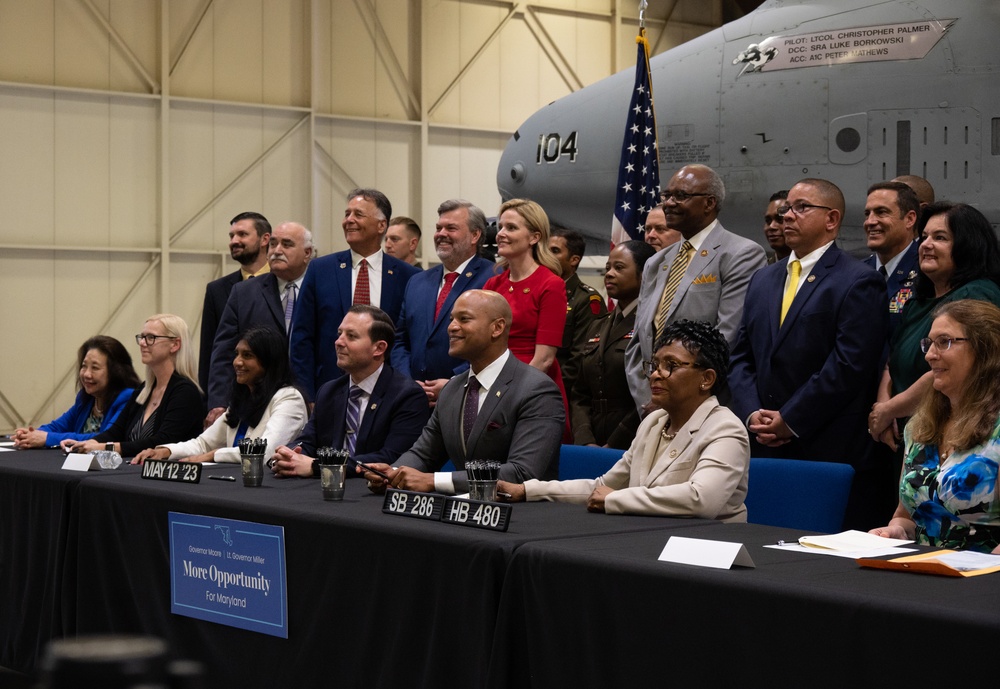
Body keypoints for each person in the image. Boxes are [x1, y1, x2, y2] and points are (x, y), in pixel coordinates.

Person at [729, 178, 890, 529]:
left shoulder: (857, 280)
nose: (788, 216)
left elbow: (849, 365)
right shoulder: (763, 279)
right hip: (763, 445)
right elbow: (741, 356)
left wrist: (791, 418)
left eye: (801, 207)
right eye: (786, 207)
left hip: (824, 448)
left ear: (831, 219)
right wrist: (751, 411)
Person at [501, 320, 749, 519]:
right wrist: (527, 490)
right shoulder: (654, 422)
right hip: (652, 540)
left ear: (706, 378)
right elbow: (602, 486)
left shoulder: (725, 428)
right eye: (655, 364)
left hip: (709, 550)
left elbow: (701, 500)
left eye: (670, 365)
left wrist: (615, 499)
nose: (655, 375)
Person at [362, 290, 564, 495]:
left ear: (497, 328)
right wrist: (393, 473)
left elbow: (522, 473)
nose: (451, 327)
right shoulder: (452, 389)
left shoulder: (537, 390)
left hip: (522, 517)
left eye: (464, 319)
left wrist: (433, 481)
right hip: (465, 515)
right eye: (451, 320)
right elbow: (424, 454)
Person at [625, 164, 766, 411]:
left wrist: (675, 396)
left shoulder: (741, 254)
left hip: (704, 405)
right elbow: (638, 343)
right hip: (653, 408)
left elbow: (726, 338)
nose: (668, 203)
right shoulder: (655, 262)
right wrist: (651, 401)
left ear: (709, 203)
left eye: (680, 196)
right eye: (666, 196)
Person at [868, 202, 1000, 451]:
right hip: (904, 432)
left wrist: (889, 410)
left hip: (956, 435)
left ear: (968, 245)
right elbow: (891, 362)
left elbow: (956, 368)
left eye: (940, 238)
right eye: (924, 236)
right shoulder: (917, 303)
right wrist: (883, 411)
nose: (926, 244)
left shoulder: (978, 295)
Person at [871, 300, 1000, 553]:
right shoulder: (919, 426)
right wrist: (895, 530)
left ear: (986, 349)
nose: (930, 355)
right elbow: (906, 516)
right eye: (928, 344)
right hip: (924, 575)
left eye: (944, 342)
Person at [290, 188, 421, 400]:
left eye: (358, 214)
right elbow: (302, 338)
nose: (348, 220)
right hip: (329, 391)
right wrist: (308, 396)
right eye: (346, 214)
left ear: (382, 225)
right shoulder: (320, 270)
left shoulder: (409, 276)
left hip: (389, 394)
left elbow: (407, 339)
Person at [271, 306, 429, 478]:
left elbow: (392, 457)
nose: (339, 342)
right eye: (340, 333)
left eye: (351, 336)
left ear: (379, 348)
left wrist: (319, 466)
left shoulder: (407, 395)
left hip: (372, 494)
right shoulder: (329, 391)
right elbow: (308, 441)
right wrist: (289, 455)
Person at [132, 328, 307, 464]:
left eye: (247, 356)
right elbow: (203, 444)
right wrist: (165, 451)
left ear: (269, 362)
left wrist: (214, 455)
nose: (237, 362)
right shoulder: (244, 398)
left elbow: (266, 452)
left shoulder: (289, 398)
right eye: (236, 354)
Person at [205, 221, 313, 422]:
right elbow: (223, 350)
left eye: (287, 244)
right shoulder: (244, 292)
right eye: (273, 244)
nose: (276, 251)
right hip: (256, 402)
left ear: (307, 253)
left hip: (312, 400)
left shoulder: (322, 288)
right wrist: (218, 403)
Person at [392, 199, 495, 404]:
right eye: (439, 228)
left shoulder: (493, 278)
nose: (441, 234)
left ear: (475, 235)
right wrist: (409, 380)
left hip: (468, 397)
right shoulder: (417, 281)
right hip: (414, 398)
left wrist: (455, 382)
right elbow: (400, 340)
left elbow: (495, 345)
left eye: (451, 228)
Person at [62, 314, 205, 457]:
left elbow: (163, 442)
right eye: (142, 337)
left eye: (151, 338)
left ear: (175, 345)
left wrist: (106, 448)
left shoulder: (185, 392)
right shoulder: (143, 390)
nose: (143, 343)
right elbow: (116, 431)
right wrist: (90, 443)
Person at [483, 199, 570, 420]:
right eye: (500, 226)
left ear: (534, 237)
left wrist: (507, 397)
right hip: (491, 383)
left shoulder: (551, 284)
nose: (501, 233)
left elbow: (544, 359)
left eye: (511, 228)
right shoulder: (493, 285)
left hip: (530, 391)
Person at [570, 240, 654, 450]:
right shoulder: (598, 325)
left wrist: (616, 442)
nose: (609, 273)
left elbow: (651, 395)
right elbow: (580, 392)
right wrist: (584, 438)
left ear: (645, 274)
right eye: (607, 268)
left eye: (619, 268)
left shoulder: (652, 325)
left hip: (632, 440)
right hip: (592, 438)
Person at [12, 336, 140, 449]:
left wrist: (47, 438)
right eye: (84, 366)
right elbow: (58, 426)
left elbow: (105, 438)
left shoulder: (127, 397)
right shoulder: (86, 399)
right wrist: (31, 435)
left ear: (116, 372)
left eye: (95, 368)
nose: (86, 374)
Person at [199, 212, 271, 392]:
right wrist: (210, 400)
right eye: (232, 236)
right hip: (233, 393)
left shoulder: (283, 283)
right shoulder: (217, 290)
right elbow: (210, 351)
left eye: (242, 234)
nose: (234, 241)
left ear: (265, 239)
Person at [549, 227, 606, 396]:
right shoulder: (540, 292)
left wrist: (551, 391)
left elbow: (580, 358)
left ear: (573, 260)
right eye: (545, 251)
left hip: (562, 391)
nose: (546, 256)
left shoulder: (586, 299)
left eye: (555, 251)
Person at [862, 181, 920, 339]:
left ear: (909, 219)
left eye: (881, 212)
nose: (870, 222)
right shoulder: (856, 273)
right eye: (867, 214)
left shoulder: (927, 272)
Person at [762, 190, 790, 264]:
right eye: (768, 221)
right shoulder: (761, 269)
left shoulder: (817, 266)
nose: (771, 226)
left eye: (780, 219)